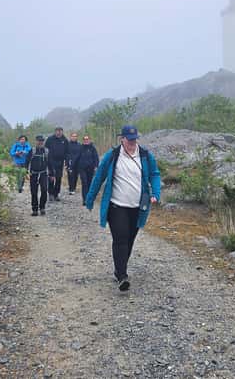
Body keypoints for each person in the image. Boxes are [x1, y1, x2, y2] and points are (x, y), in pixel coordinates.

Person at [85, 125, 161, 292]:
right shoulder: (112, 156)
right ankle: (122, 276)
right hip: (116, 205)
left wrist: (156, 192)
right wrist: (90, 199)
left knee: (129, 240)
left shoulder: (146, 155)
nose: (132, 143)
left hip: (138, 206)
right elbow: (99, 177)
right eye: (129, 140)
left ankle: (119, 268)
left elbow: (155, 174)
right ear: (122, 139)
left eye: (134, 139)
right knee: (120, 238)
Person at [26, 135, 50, 216]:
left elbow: (50, 163)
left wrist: (52, 174)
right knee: (34, 192)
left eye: (42, 141)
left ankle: (42, 207)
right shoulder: (32, 151)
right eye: (39, 141)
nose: (40, 142)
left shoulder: (46, 151)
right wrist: (26, 172)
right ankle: (35, 209)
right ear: (36, 141)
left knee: (44, 190)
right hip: (33, 174)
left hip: (43, 173)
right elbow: (27, 162)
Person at [45, 126, 68, 201]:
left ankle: (56, 194)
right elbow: (46, 149)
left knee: (58, 178)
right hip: (51, 161)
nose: (59, 132)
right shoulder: (50, 139)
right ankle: (50, 194)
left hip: (60, 162)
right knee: (51, 178)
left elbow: (67, 151)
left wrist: (66, 161)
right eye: (57, 131)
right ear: (55, 132)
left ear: (62, 132)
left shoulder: (64, 139)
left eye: (60, 131)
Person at [77, 134, 99, 206]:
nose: (86, 141)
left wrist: (96, 166)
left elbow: (96, 158)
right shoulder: (80, 148)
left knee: (89, 184)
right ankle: (84, 199)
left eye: (87, 139)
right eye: (85, 139)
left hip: (90, 169)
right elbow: (76, 158)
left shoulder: (92, 148)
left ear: (89, 140)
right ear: (83, 141)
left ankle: (89, 198)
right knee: (84, 183)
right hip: (82, 168)